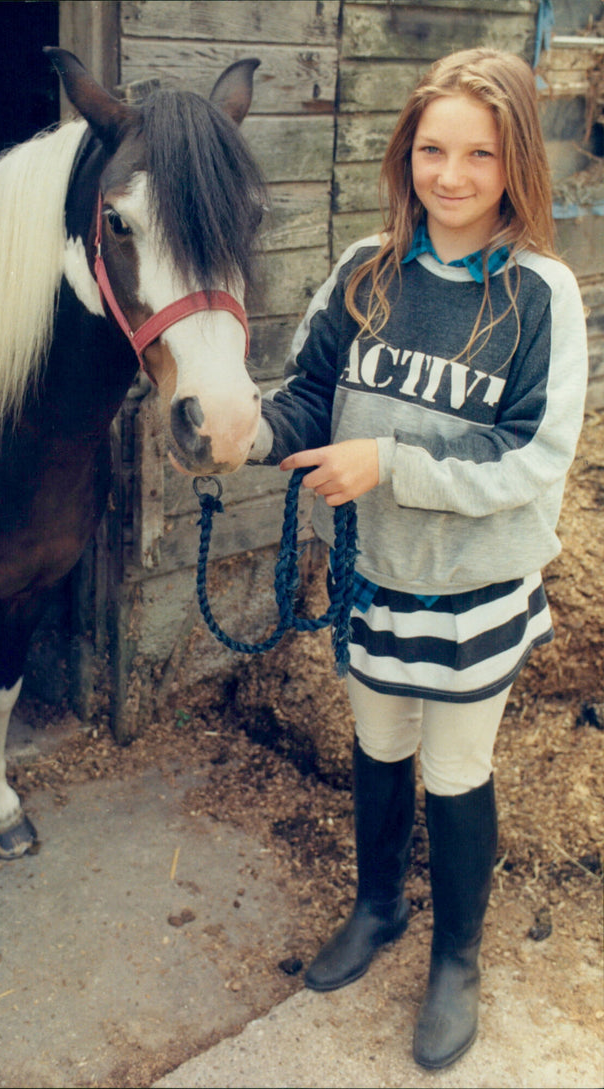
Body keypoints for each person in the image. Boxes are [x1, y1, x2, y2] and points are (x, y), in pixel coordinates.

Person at [249, 48, 588, 1069]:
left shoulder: (539, 295)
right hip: (371, 573)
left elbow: (528, 456)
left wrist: (386, 461)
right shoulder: (363, 269)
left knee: (454, 767)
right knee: (379, 740)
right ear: (404, 156)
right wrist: (251, 432)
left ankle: (454, 960)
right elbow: (312, 390)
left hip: (470, 587)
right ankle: (376, 904)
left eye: (477, 155)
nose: (449, 176)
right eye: (431, 150)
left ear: (514, 165)